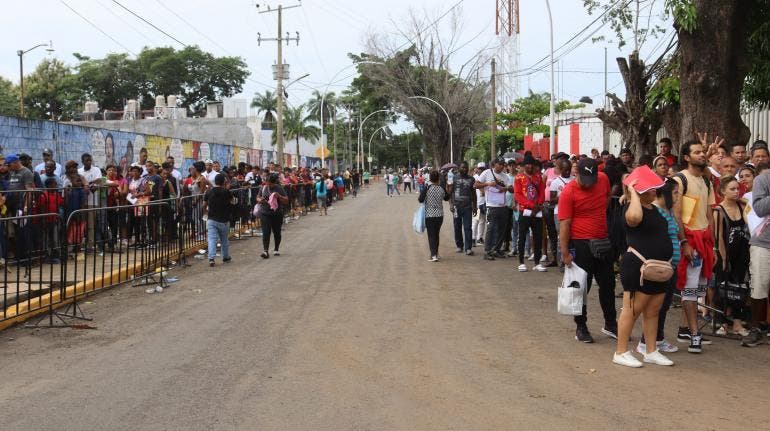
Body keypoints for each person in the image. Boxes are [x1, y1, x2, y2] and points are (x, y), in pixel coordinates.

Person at [612, 175, 674, 368]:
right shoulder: (630, 209)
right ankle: (621, 352)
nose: (654, 190)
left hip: (659, 268)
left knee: (653, 310)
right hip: (637, 266)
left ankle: (651, 351)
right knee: (632, 310)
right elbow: (634, 218)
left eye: (654, 187)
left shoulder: (655, 210)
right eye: (649, 188)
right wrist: (632, 193)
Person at [559, 158, 618, 343]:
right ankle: (581, 326)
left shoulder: (603, 179)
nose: (588, 184)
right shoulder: (568, 192)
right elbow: (565, 224)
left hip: (602, 241)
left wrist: (597, 214)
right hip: (580, 244)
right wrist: (565, 252)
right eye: (585, 180)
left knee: (608, 284)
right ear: (577, 173)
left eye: (591, 180)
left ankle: (611, 324)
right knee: (581, 287)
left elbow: (607, 198)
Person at [672, 139, 715, 353]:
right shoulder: (679, 180)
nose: (702, 154)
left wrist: (713, 247)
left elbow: (709, 214)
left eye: (702, 152)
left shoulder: (706, 181)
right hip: (690, 242)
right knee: (689, 290)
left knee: (697, 290)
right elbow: (677, 214)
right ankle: (695, 335)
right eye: (697, 152)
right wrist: (684, 242)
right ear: (687, 157)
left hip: (704, 243)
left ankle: (685, 330)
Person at [636, 178, 681, 355]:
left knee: (664, 305)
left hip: (670, 267)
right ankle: (645, 342)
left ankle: (658, 338)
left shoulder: (668, 210)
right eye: (675, 192)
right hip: (660, 267)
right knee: (655, 307)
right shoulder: (655, 211)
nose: (678, 196)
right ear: (665, 193)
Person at [712, 176, 750, 336]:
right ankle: (722, 322)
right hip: (726, 254)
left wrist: (744, 201)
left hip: (742, 253)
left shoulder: (742, 206)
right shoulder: (719, 211)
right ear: (722, 191)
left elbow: (750, 220)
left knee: (740, 287)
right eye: (732, 189)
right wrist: (723, 257)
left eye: (737, 189)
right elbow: (718, 236)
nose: (736, 192)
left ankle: (737, 323)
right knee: (723, 287)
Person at [743, 166, 770, 346]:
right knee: (759, 287)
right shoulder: (763, 179)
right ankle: (755, 329)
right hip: (764, 243)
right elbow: (759, 208)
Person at [514, 156, 547, 272]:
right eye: (527, 164)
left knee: (538, 236)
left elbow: (542, 192)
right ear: (524, 166)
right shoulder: (519, 178)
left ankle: (537, 263)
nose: (530, 166)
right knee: (522, 236)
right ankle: (521, 262)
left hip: (537, 211)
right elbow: (518, 195)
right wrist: (532, 205)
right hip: (525, 211)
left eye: (531, 164)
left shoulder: (538, 177)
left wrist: (539, 204)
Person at [475, 159, 513, 261]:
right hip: (491, 206)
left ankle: (496, 250)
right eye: (499, 164)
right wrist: (487, 184)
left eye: (503, 164)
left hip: (503, 206)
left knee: (502, 229)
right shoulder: (487, 173)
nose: (501, 166)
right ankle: (487, 251)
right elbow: (476, 185)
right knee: (491, 228)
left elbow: (511, 189)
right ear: (494, 164)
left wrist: (506, 189)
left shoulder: (505, 176)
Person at [418, 170, 450, 262]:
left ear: (430, 178)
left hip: (430, 215)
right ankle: (436, 253)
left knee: (431, 235)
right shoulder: (441, 188)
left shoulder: (427, 188)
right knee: (436, 234)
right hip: (440, 215)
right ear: (438, 178)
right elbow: (447, 198)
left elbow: (420, 199)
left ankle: (433, 255)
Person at [203, 174, 233, 267]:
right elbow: (232, 201)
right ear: (223, 182)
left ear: (215, 181)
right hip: (224, 220)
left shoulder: (208, 192)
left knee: (212, 239)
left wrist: (206, 212)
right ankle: (226, 257)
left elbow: (204, 205)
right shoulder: (226, 191)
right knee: (224, 239)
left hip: (212, 219)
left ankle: (211, 258)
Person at [549, 158, 574, 268]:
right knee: (562, 237)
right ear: (560, 169)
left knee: (572, 237)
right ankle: (562, 262)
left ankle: (572, 260)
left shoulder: (575, 180)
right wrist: (564, 197)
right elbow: (551, 200)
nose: (567, 172)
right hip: (559, 213)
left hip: (573, 213)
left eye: (569, 169)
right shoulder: (555, 182)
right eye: (565, 170)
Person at [257, 173, 288, 258]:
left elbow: (286, 200)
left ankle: (276, 249)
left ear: (275, 182)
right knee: (266, 232)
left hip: (277, 214)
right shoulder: (263, 187)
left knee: (277, 232)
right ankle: (265, 251)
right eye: (267, 182)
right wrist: (260, 200)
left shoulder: (279, 188)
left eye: (270, 183)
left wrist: (279, 196)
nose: (268, 185)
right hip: (265, 213)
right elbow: (258, 197)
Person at [449, 161, 476, 256]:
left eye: (466, 167)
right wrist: (451, 204)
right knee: (457, 226)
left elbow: (473, 193)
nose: (464, 169)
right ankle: (459, 245)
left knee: (468, 227)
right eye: (463, 167)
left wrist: (475, 206)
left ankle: (468, 248)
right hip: (456, 207)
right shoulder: (454, 178)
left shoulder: (472, 179)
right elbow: (451, 192)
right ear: (459, 168)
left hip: (468, 207)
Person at [472, 163, 487, 247]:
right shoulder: (474, 178)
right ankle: (473, 238)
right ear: (477, 169)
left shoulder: (486, 177)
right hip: (477, 203)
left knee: (482, 221)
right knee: (475, 220)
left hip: (484, 203)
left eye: (483, 169)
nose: (481, 170)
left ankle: (479, 238)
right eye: (480, 168)